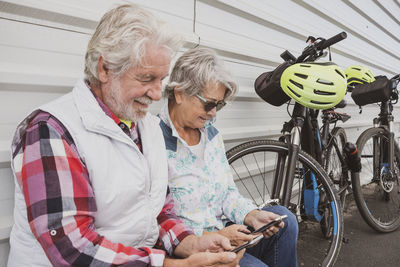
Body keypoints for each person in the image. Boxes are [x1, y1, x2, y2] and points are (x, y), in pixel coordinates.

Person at [7, 4, 243, 267]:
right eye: (146, 78)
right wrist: (175, 265)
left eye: (161, 79)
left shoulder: (147, 126)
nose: (156, 93)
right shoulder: (51, 130)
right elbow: (74, 249)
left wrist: (191, 243)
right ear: (105, 68)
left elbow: (159, 213)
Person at [159, 47, 298, 267]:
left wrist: (251, 215)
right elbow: (158, 221)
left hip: (227, 236)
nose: (214, 113)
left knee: (285, 219)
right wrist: (215, 235)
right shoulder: (154, 143)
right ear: (179, 93)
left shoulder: (211, 135)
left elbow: (227, 194)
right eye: (209, 104)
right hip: (192, 251)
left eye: (219, 105)